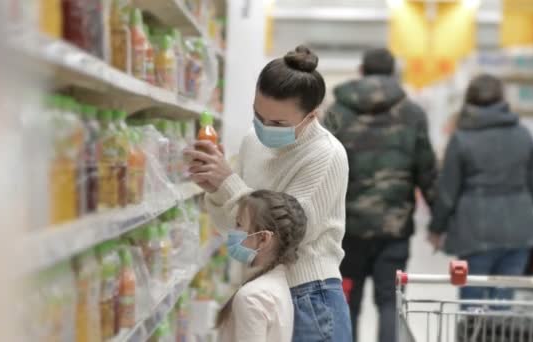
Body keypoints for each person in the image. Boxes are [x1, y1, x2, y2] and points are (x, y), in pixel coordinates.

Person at [185, 45, 352, 342]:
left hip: (309, 297)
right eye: (258, 115)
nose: (264, 128)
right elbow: (241, 234)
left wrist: (231, 184)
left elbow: (290, 232)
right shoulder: (253, 141)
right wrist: (216, 191)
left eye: (277, 124)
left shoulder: (326, 155)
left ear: (311, 116)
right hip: (263, 287)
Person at [323, 48, 437, 342]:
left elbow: (320, 163)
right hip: (394, 227)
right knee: (390, 301)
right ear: (393, 72)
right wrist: (440, 220)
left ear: (361, 70)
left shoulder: (337, 112)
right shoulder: (412, 114)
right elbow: (426, 170)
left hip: (346, 227)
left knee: (346, 299)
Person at [429, 74, 533, 302]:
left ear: (468, 100)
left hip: (474, 231)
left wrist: (436, 229)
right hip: (519, 229)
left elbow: (448, 192)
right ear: (502, 98)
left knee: (473, 305)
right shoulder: (524, 134)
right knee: (502, 305)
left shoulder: (461, 139)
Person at [217, 190, 307, 342]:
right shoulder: (277, 283)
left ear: (263, 238)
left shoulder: (252, 297)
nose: (233, 231)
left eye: (239, 224)